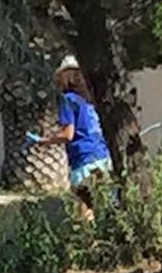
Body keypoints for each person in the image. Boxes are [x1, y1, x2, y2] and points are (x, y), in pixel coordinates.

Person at [27, 55, 112, 220]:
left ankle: (85, 234)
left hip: (84, 160)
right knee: (105, 205)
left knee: (84, 209)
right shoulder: (89, 100)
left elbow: (68, 134)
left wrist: (44, 141)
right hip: (102, 157)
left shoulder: (68, 100)